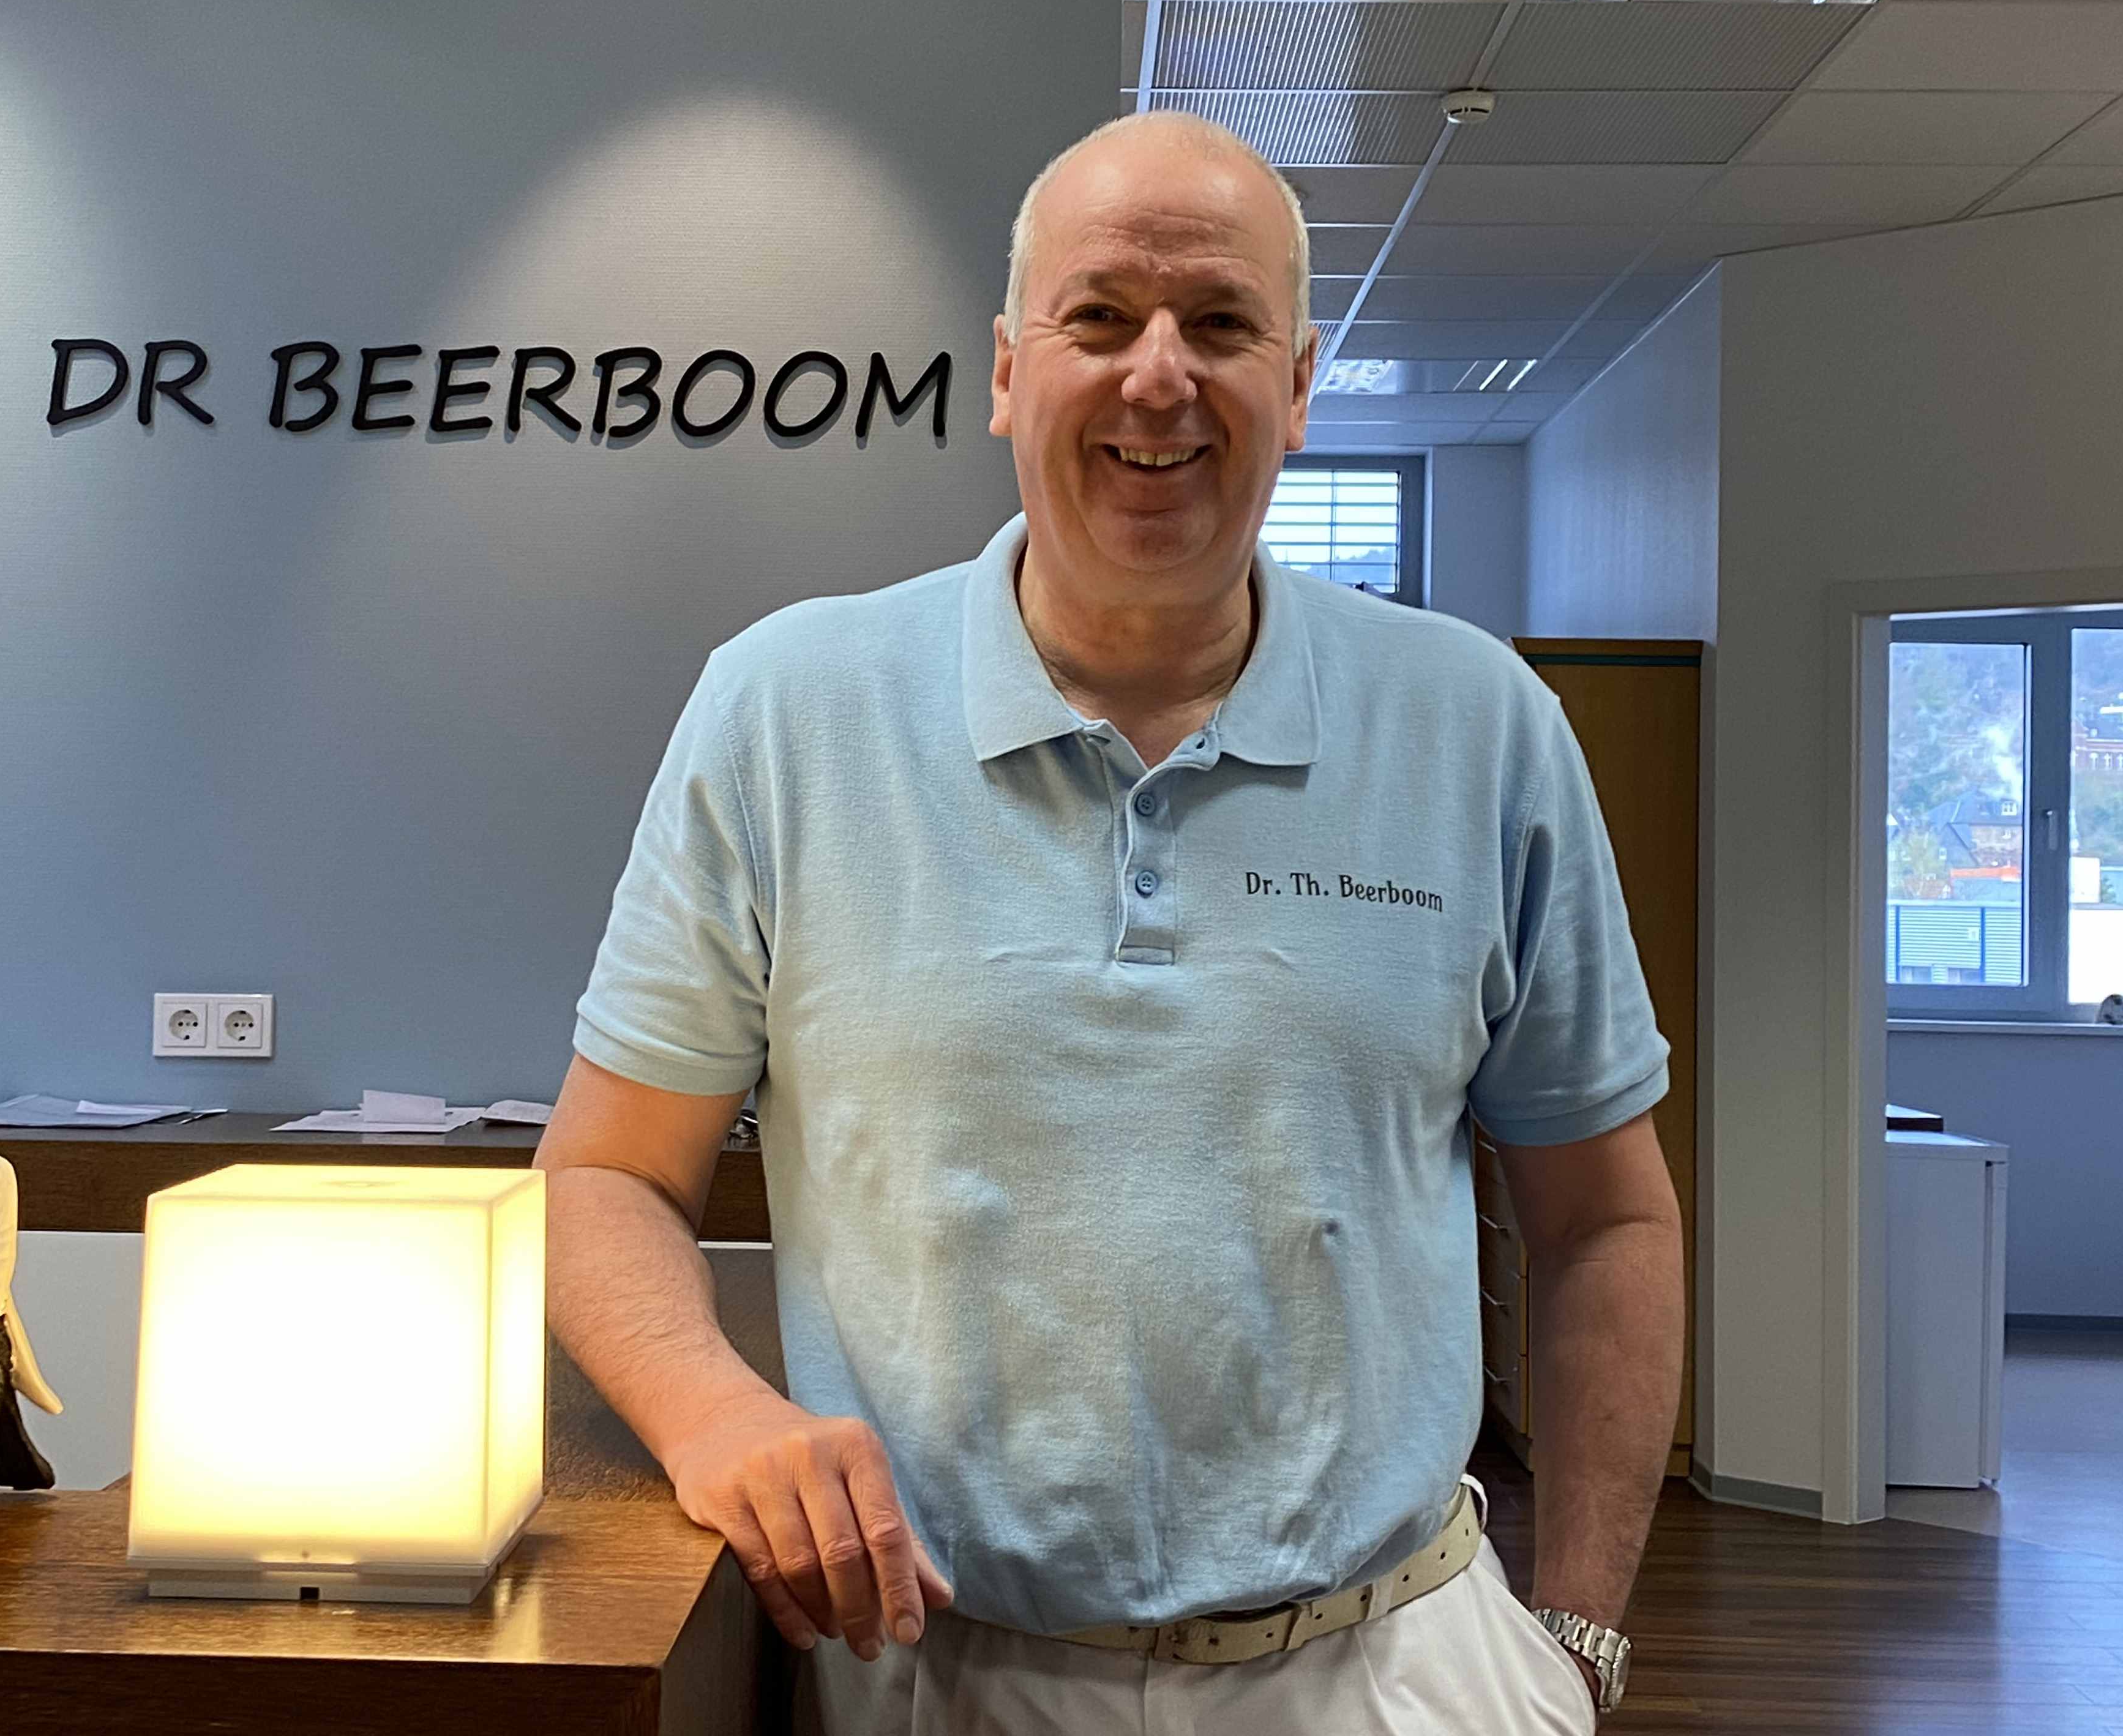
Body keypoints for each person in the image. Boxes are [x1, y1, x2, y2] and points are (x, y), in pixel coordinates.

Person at [534, 110, 1685, 1734]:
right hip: (945, 1674)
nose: (1159, 377)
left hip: (1397, 1664)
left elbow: (1606, 1222)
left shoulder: (1478, 724)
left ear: (1299, 386)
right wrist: (713, 1412)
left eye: (1220, 324)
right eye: (1101, 317)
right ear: (1011, 372)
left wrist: (1580, 1638)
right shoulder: (787, 710)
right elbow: (602, 1175)